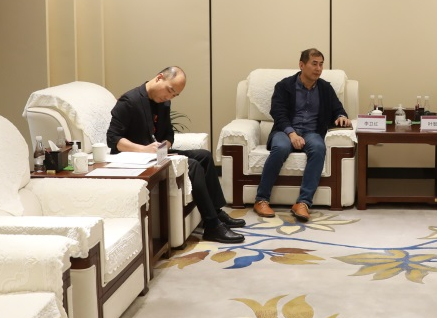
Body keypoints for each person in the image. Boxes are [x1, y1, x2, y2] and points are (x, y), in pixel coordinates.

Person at [107, 66, 245, 244]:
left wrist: (165, 145)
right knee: (193, 165)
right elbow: (113, 139)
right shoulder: (129, 101)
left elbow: (169, 134)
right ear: (159, 78)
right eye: (170, 90)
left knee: (204, 156)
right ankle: (212, 226)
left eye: (174, 95)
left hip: (156, 155)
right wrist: (144, 149)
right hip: (135, 158)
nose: (169, 97)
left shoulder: (163, 103)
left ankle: (216, 212)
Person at [253, 48, 351, 223]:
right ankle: (261, 199)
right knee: (280, 148)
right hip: (285, 131)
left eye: (321, 64)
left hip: (312, 132)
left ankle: (303, 203)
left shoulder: (325, 88)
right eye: (314, 64)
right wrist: (292, 134)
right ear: (301, 65)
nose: (318, 69)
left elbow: (338, 108)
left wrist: (341, 116)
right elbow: (278, 114)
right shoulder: (284, 86)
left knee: (319, 148)